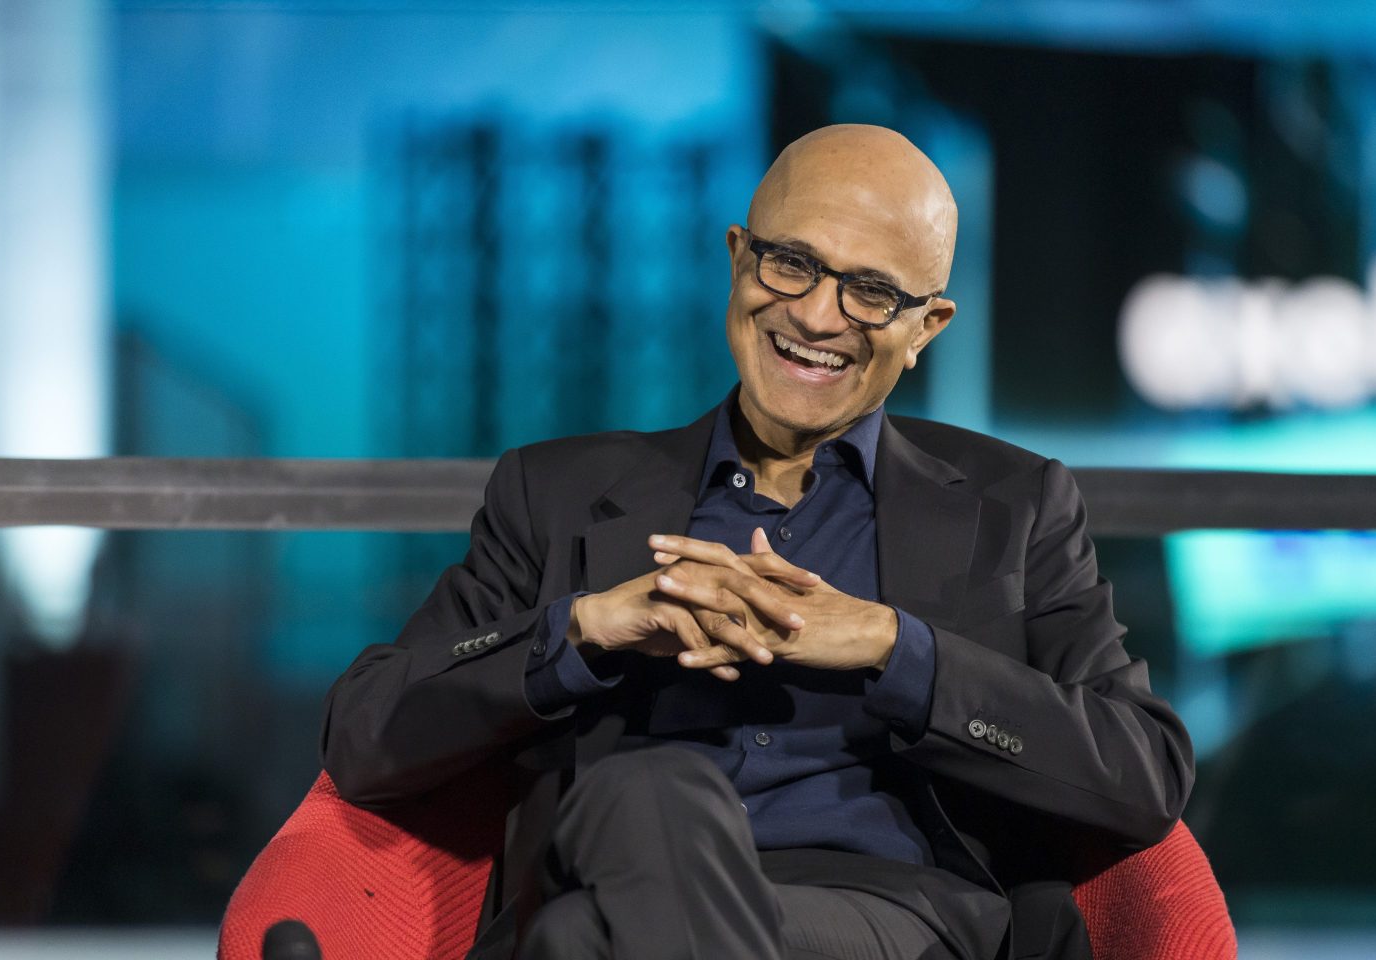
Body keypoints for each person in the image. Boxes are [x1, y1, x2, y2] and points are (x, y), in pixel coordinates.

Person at [321, 124, 1194, 960]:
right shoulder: (556, 493)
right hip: (602, 898)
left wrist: (898, 650)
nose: (818, 316)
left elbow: (1143, 772)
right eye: (793, 263)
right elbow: (366, 735)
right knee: (622, 848)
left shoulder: (1015, 504)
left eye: (873, 292)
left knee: (594, 903)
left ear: (926, 327)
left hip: (887, 917)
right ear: (740, 258)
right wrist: (582, 631)